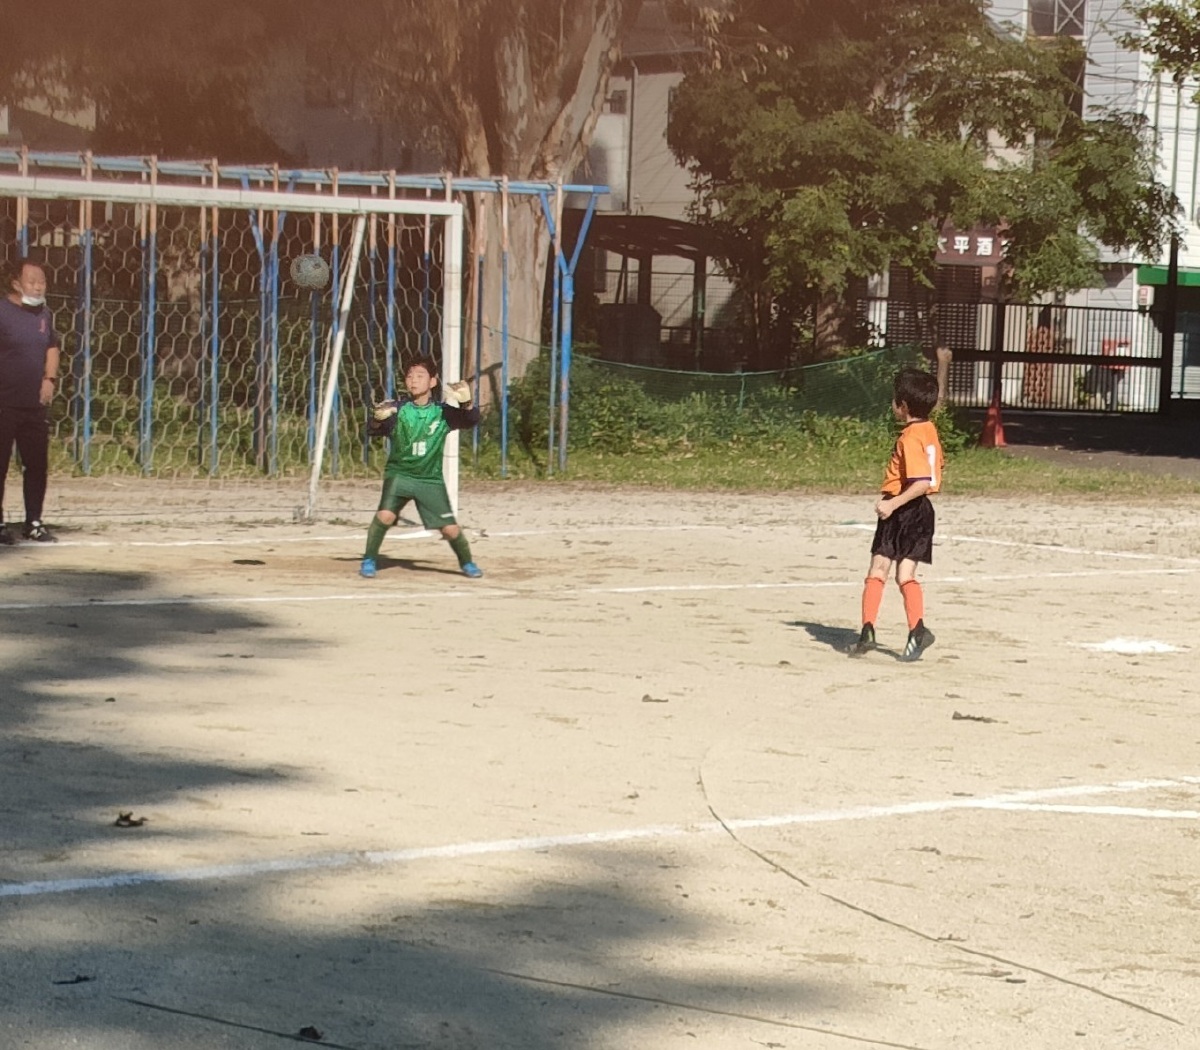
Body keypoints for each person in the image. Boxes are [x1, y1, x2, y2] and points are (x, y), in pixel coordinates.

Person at [848, 366, 945, 662]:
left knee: (891, 572)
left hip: (905, 508)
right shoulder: (928, 430)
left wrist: (892, 504)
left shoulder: (910, 437)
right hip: (918, 511)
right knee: (889, 571)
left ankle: (910, 630)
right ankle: (873, 630)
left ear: (902, 405)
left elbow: (921, 482)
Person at [360, 357, 482, 579]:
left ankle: (467, 562)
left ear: (433, 382)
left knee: (450, 529)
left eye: (420, 375)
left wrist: (467, 403)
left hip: (429, 480)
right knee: (385, 515)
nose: (413, 380)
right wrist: (377, 419)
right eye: (409, 376)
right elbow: (372, 430)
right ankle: (369, 559)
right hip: (400, 475)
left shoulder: (443, 412)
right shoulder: (397, 409)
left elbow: (471, 420)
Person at [0, 257, 60, 544]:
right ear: (16, 283)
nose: (38, 287)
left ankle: (34, 521)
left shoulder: (44, 314)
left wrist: (49, 379)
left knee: (37, 465)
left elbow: (52, 346)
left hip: (33, 405)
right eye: (32, 282)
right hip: (4, 402)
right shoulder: (2, 312)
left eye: (42, 282)